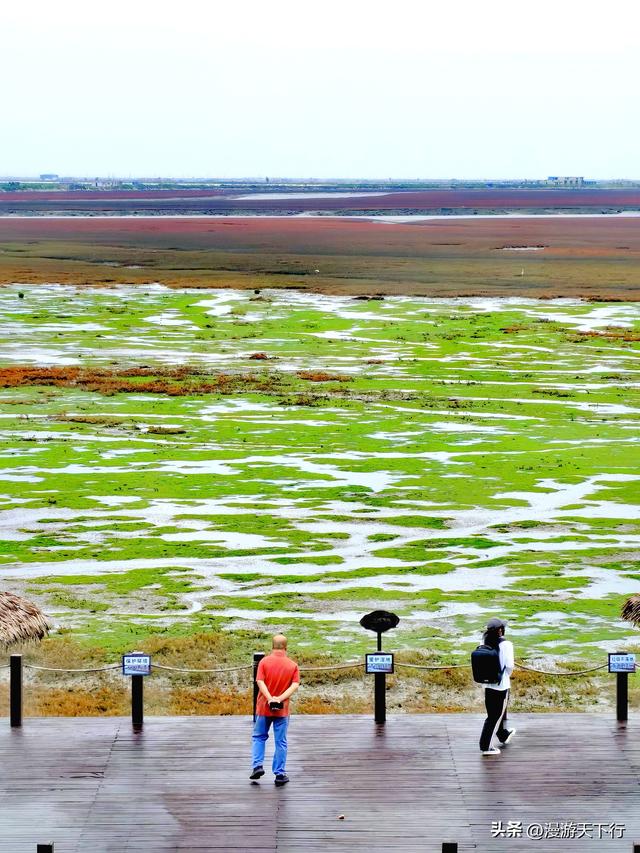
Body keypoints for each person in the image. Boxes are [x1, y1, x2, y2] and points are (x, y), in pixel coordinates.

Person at [250, 634, 300, 786]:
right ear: (286, 647)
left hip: (264, 708)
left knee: (259, 737)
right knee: (281, 742)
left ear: (272, 646)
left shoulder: (264, 662)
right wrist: (280, 698)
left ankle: (257, 766)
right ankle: (279, 773)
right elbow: (295, 685)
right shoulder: (292, 665)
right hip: (282, 710)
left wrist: (269, 698)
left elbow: (260, 681)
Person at [479, 617, 516, 756]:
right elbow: (510, 666)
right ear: (500, 630)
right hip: (501, 685)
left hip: (487, 684)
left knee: (493, 714)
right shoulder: (507, 644)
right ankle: (486, 746)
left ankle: (503, 735)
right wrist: (505, 676)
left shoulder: (483, 642)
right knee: (495, 716)